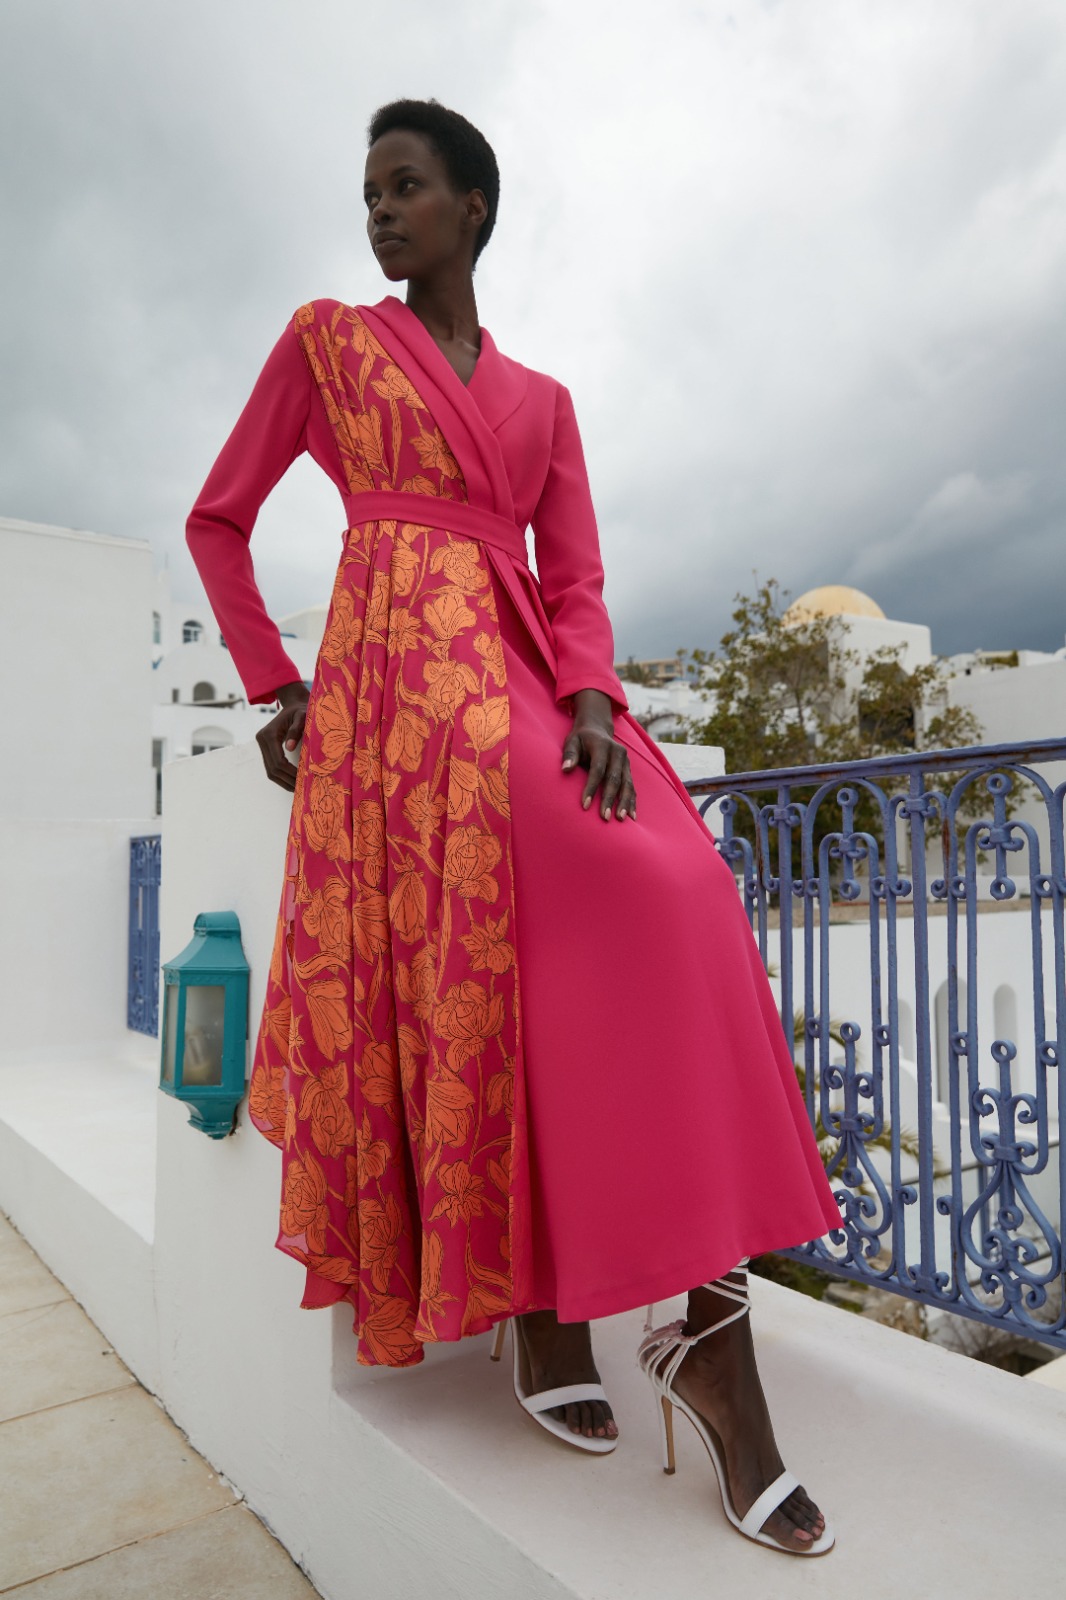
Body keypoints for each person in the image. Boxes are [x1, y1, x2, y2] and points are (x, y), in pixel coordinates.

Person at [186, 98, 839, 1557]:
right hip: (392, 717)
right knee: (517, 967)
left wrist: (595, 704)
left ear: (472, 205)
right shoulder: (327, 344)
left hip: (525, 696)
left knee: (677, 888)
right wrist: (276, 686)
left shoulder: (543, 398)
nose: (378, 209)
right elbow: (217, 518)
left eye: (405, 185)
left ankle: (697, 1324)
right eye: (368, 190)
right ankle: (565, 1320)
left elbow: (576, 576)